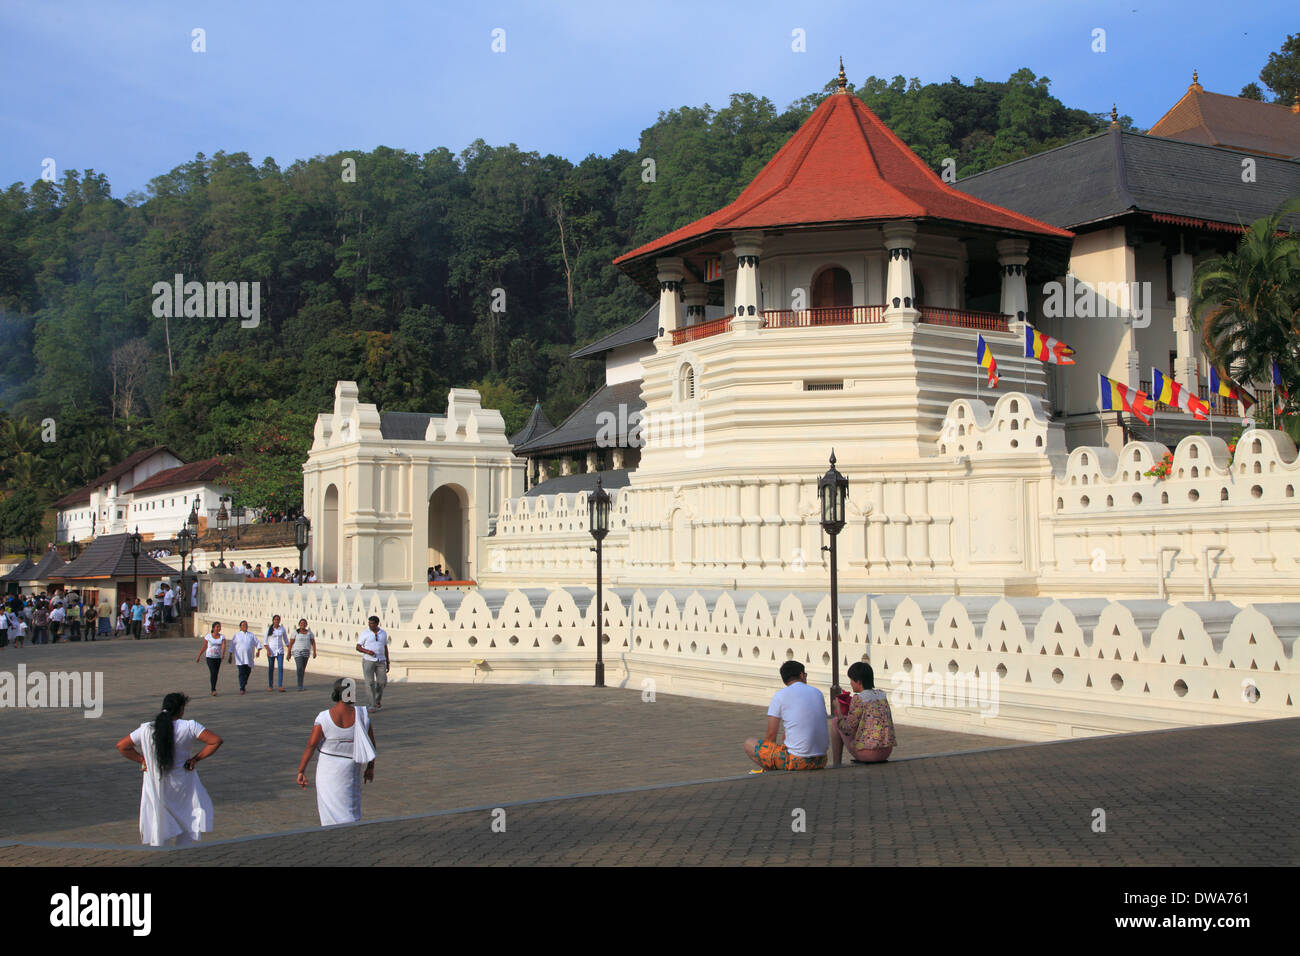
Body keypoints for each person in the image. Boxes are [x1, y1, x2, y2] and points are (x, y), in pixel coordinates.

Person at [116, 692, 221, 847]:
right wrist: (195, 759)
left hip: (155, 783)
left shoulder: (146, 728)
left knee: (160, 819)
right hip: (183, 782)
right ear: (180, 710)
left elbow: (122, 746)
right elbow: (215, 741)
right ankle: (182, 852)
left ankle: (161, 853)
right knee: (187, 815)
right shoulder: (189, 726)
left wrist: (142, 760)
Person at [296, 678, 376, 826]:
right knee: (350, 803)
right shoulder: (362, 714)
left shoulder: (324, 717)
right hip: (351, 766)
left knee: (329, 804)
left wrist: (301, 770)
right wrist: (370, 767)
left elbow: (311, 745)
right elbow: (371, 744)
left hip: (328, 768)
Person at [743, 661, 829, 772]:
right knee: (786, 736)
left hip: (798, 761)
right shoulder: (817, 692)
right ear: (802, 675)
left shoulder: (780, 696)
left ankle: (771, 770)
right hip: (821, 760)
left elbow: (771, 735)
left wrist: (768, 756)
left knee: (749, 744)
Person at [829, 661, 897, 766]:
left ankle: (836, 764)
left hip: (869, 753)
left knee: (835, 722)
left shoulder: (859, 698)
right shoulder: (882, 695)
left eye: (851, 680)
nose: (850, 683)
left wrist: (839, 711)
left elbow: (847, 728)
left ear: (859, 681)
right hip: (886, 751)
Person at [355, 616, 390, 709]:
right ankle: (371, 704)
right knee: (369, 683)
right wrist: (367, 651)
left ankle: (377, 700)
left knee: (382, 682)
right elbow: (358, 647)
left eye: (372, 623)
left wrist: (388, 661)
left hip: (381, 660)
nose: (370, 625)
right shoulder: (365, 633)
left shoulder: (383, 633)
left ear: (377, 623)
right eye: (369, 623)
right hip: (368, 660)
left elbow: (385, 647)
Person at [228, 620, 262, 694]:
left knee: (247, 671)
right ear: (240, 627)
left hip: (249, 657)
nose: (245, 626)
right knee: (241, 672)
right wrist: (230, 655)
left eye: (246, 625)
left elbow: (257, 643)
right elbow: (232, 645)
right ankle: (242, 688)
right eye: (243, 625)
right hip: (240, 657)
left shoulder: (251, 635)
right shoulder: (236, 635)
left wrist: (258, 651)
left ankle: (244, 682)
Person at [196, 623, 226, 696]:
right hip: (210, 657)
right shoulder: (208, 636)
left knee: (216, 673)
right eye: (217, 627)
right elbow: (204, 646)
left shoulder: (222, 637)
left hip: (218, 657)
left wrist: (223, 654)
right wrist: (199, 655)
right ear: (213, 628)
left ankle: (214, 687)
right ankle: (213, 689)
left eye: (219, 627)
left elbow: (223, 646)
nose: (219, 628)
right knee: (213, 672)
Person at [288, 618, 317, 691]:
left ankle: (301, 684)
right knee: (299, 668)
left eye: (304, 623)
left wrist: (314, 652)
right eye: (301, 623)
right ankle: (299, 685)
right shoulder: (295, 632)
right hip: (297, 652)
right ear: (299, 624)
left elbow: (313, 642)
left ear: (306, 625)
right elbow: (291, 643)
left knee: (303, 669)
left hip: (306, 652)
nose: (303, 625)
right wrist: (289, 653)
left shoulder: (309, 633)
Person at [264, 614, 289, 692]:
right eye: (275, 619)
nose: (277, 621)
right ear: (273, 620)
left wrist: (290, 650)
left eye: (278, 619)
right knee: (271, 668)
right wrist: (268, 650)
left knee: (280, 668)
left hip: (280, 651)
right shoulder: (269, 629)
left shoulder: (282, 629)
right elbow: (265, 642)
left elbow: (286, 641)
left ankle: (280, 685)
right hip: (271, 651)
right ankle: (270, 685)